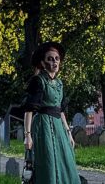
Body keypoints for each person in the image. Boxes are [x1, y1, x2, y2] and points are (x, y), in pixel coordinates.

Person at [23, 41, 80, 184]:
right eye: (50, 59)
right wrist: (27, 136)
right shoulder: (38, 81)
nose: (54, 62)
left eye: (57, 59)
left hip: (58, 126)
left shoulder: (59, 83)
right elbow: (29, 110)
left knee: (66, 158)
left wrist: (68, 132)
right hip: (43, 126)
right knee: (48, 160)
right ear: (42, 63)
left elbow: (60, 110)